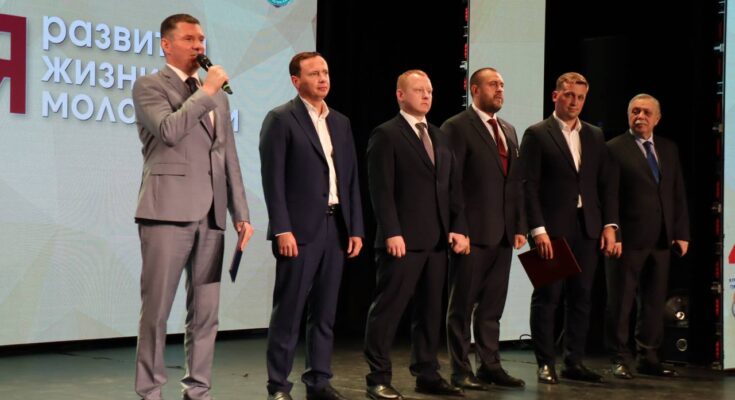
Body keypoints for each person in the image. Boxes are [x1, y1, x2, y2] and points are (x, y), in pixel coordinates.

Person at [132, 13, 253, 400]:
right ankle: (150, 391)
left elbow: (227, 156)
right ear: (166, 44)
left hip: (212, 217)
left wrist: (241, 213)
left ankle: (198, 391)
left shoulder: (215, 94)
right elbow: (169, 131)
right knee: (156, 311)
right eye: (189, 39)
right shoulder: (149, 85)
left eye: (201, 39)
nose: (199, 45)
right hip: (166, 212)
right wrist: (207, 91)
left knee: (206, 313)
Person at [259, 52, 364, 400]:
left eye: (326, 72)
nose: (323, 78)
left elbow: (350, 179)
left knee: (325, 312)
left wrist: (356, 228)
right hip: (299, 231)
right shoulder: (281, 119)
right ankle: (278, 385)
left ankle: (318, 381)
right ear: (296, 81)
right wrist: (281, 228)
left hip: (335, 229)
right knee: (288, 312)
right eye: (314, 73)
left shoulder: (340, 122)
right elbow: (272, 179)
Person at [364, 69, 469, 400]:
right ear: (400, 95)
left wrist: (459, 227)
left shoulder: (439, 136)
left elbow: (452, 187)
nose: (426, 95)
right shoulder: (386, 134)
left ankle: (427, 373)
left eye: (430, 90)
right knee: (388, 310)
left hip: (437, 241)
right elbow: (381, 190)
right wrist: (392, 232)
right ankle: (378, 377)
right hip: (402, 242)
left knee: (430, 311)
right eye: (419, 90)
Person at [519, 72, 618, 385]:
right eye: (569, 95)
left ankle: (573, 361)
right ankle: (545, 363)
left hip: (587, 227)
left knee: (582, 297)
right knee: (548, 296)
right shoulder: (537, 134)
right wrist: (537, 230)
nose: (575, 102)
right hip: (552, 229)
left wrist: (609, 225)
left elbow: (605, 184)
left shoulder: (594, 135)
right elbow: (528, 187)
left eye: (580, 97)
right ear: (555, 96)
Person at [441, 67, 527, 390]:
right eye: (493, 84)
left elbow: (515, 183)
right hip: (472, 234)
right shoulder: (456, 127)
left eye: (502, 84)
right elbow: (451, 183)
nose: (500, 89)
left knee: (492, 307)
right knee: (461, 307)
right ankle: (460, 370)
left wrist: (519, 225)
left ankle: (490, 366)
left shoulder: (509, 129)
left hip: (503, 233)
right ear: (474, 89)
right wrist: (458, 228)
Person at [605, 93, 690, 379]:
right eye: (635, 111)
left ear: (657, 118)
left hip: (662, 239)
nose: (640, 117)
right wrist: (613, 231)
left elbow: (677, 192)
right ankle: (619, 357)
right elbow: (609, 196)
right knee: (621, 302)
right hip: (627, 239)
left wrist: (681, 232)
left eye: (646, 112)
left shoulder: (668, 148)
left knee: (654, 302)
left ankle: (648, 357)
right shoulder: (614, 148)